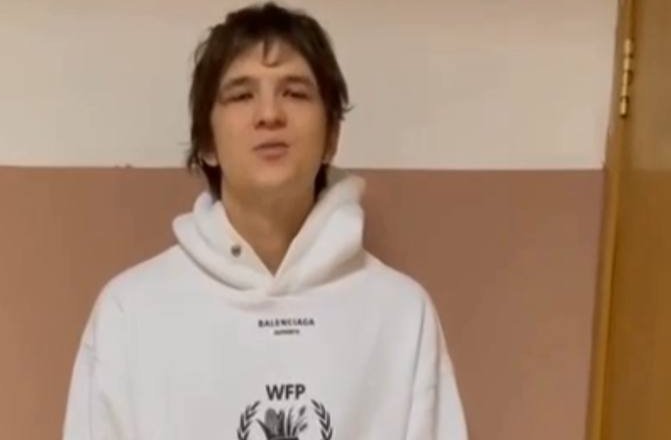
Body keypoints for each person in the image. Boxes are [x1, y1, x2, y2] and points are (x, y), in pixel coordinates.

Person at [62, 3, 467, 439]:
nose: (269, 114)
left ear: (331, 136)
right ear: (207, 142)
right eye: (241, 95)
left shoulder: (402, 314)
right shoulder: (130, 312)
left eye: (295, 93)